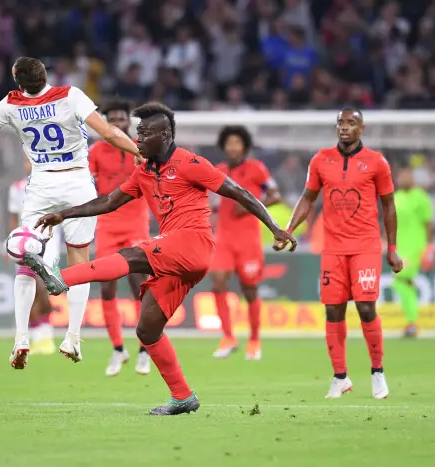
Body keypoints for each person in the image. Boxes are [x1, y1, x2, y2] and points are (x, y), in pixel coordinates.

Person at [24, 103, 296, 415]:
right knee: (147, 329)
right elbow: (110, 201)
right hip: (176, 258)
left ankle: (60, 279)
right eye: (138, 133)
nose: (137, 139)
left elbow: (240, 193)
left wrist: (275, 227)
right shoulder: (143, 171)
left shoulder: (190, 162)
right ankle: (182, 396)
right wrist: (64, 214)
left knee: (131, 254)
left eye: (144, 133)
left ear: (164, 135)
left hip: (193, 242)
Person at [0, 57, 142, 370]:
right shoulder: (70, 95)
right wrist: (137, 151)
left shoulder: (10, 104)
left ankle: (21, 337)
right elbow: (110, 132)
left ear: (18, 81)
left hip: (41, 186)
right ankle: (72, 337)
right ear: (45, 75)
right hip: (77, 183)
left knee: (25, 258)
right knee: (79, 260)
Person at [281, 107, 402, 400]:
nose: (345, 127)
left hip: (365, 247)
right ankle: (340, 377)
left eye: (351, 123)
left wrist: (392, 248)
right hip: (332, 248)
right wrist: (288, 229)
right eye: (340, 122)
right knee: (333, 310)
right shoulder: (320, 160)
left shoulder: (376, 162)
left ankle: (377, 372)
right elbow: (307, 198)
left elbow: (388, 205)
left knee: (365, 307)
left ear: (362, 128)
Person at [89, 99, 151, 377]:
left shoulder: (141, 149)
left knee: (139, 285)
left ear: (128, 121)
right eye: (111, 119)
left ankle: (145, 350)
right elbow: (87, 184)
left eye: (121, 118)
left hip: (136, 225)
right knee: (106, 288)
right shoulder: (95, 152)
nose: (117, 123)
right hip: (106, 226)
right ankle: (117, 348)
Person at [210, 126, 282, 360]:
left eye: (237, 143)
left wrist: (252, 205)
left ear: (244, 146)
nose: (233, 147)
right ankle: (228, 337)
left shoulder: (257, 169)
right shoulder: (218, 171)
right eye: (229, 143)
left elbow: (275, 196)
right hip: (224, 238)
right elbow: (212, 204)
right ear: (224, 146)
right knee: (218, 282)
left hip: (248, 240)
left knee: (250, 290)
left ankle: (254, 340)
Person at [7, 155, 60, 355]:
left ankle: (45, 334)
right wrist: (9, 246)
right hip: (23, 246)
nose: (28, 164)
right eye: (26, 160)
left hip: (48, 244)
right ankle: (39, 336)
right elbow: (13, 219)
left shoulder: (54, 186)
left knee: (43, 286)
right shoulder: (17, 188)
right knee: (29, 289)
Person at [392, 167, 434, 337]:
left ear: (412, 178)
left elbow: (428, 223)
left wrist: (429, 247)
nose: (402, 179)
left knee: (400, 280)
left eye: (406, 176)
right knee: (403, 283)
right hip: (400, 247)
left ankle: (412, 323)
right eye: (400, 176)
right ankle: (411, 322)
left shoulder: (421, 197)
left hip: (416, 246)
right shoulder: (396, 197)